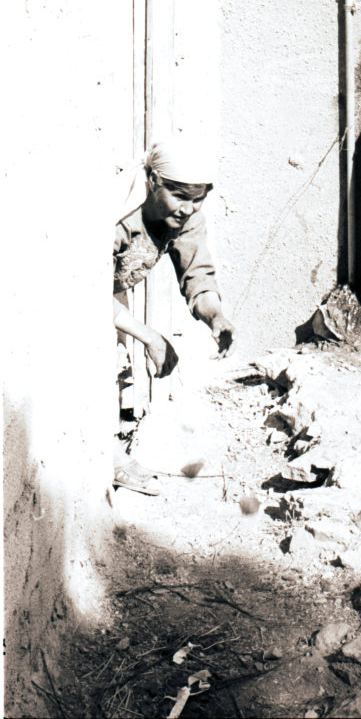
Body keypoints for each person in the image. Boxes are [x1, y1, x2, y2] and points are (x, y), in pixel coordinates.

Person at [112, 136, 236, 493]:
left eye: (198, 200)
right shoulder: (118, 217)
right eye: (180, 197)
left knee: (117, 364)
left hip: (112, 295)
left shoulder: (184, 219)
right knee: (104, 359)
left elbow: (197, 272)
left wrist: (216, 318)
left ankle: (113, 448)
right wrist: (149, 335)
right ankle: (113, 459)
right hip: (77, 297)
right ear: (153, 182)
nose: (188, 209)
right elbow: (85, 290)